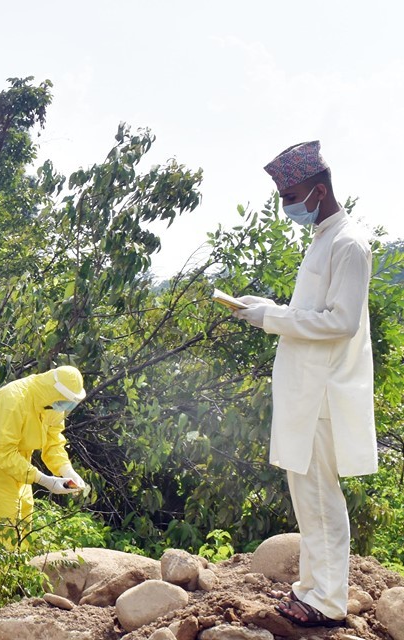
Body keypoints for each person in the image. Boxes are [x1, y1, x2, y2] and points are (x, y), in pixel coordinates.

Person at [233, 141, 376, 628]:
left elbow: (341, 322)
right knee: (308, 499)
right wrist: (264, 306)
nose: (285, 206)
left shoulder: (349, 243)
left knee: (321, 500)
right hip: (306, 393)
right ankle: (313, 591)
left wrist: (271, 318)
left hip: (323, 395)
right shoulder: (323, 237)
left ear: (318, 190)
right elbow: (312, 311)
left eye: (289, 195)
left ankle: (328, 602)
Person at [0, 366, 90, 527]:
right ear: (55, 391)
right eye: (67, 401)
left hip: (23, 470)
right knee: (6, 533)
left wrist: (66, 470)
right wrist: (44, 480)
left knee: (24, 529)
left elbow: (54, 442)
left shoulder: (52, 404)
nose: (67, 407)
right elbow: (3, 452)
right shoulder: (12, 399)